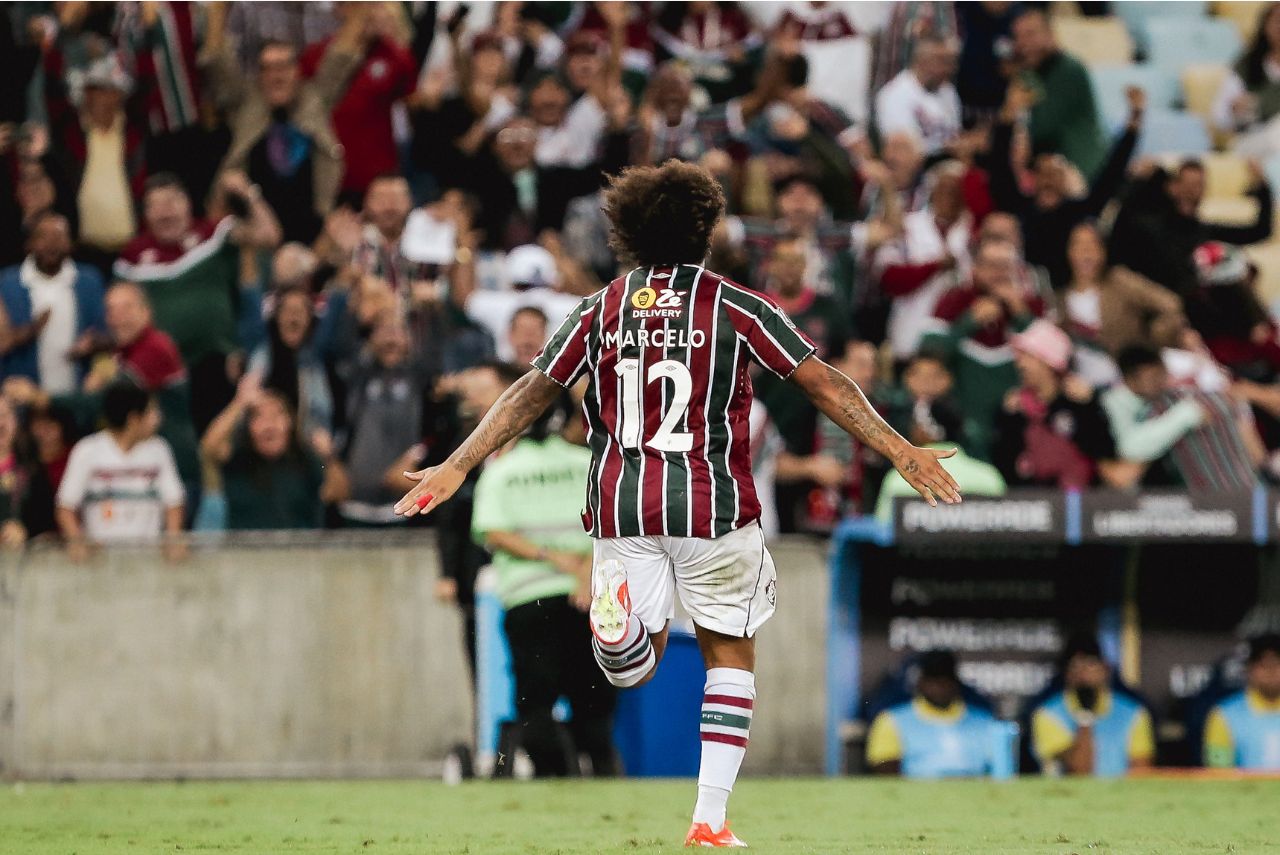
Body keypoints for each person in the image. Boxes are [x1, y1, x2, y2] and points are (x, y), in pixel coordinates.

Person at [392, 160, 960, 847]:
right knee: (728, 652)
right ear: (705, 228)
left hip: (623, 506)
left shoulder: (598, 307)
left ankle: (615, 631)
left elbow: (531, 390)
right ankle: (709, 817)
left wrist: (458, 463)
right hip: (711, 505)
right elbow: (826, 385)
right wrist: (903, 450)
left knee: (634, 663)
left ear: (626, 232)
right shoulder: (737, 306)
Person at [470, 392, 617, 779]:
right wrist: (583, 573)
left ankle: (557, 779)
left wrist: (547, 557)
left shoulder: (502, 471)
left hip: (529, 598)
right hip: (591, 597)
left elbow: (493, 531)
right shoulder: (589, 463)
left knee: (535, 705)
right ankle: (606, 784)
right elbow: (614, 528)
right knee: (594, 705)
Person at [113, 171, 282, 432]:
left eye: (171, 201)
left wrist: (247, 191)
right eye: (155, 205)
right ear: (145, 214)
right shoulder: (132, 257)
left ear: (188, 204)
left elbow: (269, 235)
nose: (165, 212)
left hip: (217, 366)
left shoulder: (213, 234)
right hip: (161, 376)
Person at [201, 2, 365, 243]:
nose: (276, 75)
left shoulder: (315, 99)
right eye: (266, 68)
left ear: (297, 71)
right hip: (256, 231)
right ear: (258, 75)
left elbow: (343, 55)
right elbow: (215, 58)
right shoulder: (246, 103)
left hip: (313, 229)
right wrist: (219, 7)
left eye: (283, 66)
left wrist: (364, 8)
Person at [990, 82, 1142, 288]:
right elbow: (999, 164)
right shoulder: (1018, 207)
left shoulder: (1080, 210)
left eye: (1055, 175)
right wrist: (1009, 114)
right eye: (1043, 174)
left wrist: (1134, 122)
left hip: (1070, 295)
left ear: (1065, 180)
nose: (1048, 181)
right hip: (1025, 292)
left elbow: (1112, 173)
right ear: (1033, 178)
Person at [55, 379, 185, 560]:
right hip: (101, 562)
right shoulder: (87, 450)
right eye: (151, 412)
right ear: (133, 419)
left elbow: (174, 502)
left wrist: (173, 541)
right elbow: (66, 506)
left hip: (148, 561)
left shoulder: (159, 450)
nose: (158, 418)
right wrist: (77, 543)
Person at [1101, 345, 1258, 491]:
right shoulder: (1108, 404)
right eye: (1153, 377)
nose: (1161, 381)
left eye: (1162, 372)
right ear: (1131, 379)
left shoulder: (1169, 399)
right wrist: (1187, 415)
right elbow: (1130, 449)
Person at [201, 376, 348, 531]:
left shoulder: (305, 458)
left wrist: (329, 457)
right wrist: (240, 403)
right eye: (259, 416)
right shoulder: (239, 458)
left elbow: (339, 493)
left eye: (276, 415)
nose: (269, 425)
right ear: (248, 427)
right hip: (246, 553)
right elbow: (209, 447)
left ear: (290, 423)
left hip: (296, 552)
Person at [992, 320, 1116, 489]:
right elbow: (1003, 466)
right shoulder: (1014, 408)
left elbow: (1104, 453)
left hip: (1079, 503)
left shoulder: (1078, 403)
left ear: (1049, 362)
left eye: (1028, 357)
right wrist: (1009, 419)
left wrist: (1088, 407)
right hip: (1030, 504)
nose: (1020, 363)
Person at [0, 211, 105, 394]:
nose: (51, 243)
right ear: (29, 243)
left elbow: (112, 334)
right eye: (43, 236)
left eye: (59, 236)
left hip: (77, 398)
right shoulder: (6, 284)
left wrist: (94, 342)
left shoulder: (90, 281)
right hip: (22, 398)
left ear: (71, 242)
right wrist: (28, 332)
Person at [1059, 222, 1188, 360]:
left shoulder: (1119, 281)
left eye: (1093, 244)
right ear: (1068, 252)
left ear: (1104, 251)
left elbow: (1172, 304)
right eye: (1078, 244)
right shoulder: (1059, 299)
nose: (1086, 251)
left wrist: (1156, 337)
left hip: (1133, 369)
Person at [1031, 634, 1155, 777]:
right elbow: (1080, 770)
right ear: (1066, 674)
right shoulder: (1047, 713)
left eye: (1090, 664)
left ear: (1105, 669)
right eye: (1075, 666)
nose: (1083, 673)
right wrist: (1085, 715)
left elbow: (1142, 771)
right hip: (1068, 796)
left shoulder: (1133, 712)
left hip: (1120, 795)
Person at [1008, 8, 1106, 180]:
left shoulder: (1069, 70)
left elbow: (1041, 126)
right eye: (1018, 37)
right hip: (1047, 168)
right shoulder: (1029, 73)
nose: (1023, 43)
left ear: (1050, 34)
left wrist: (997, 133)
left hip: (1080, 167)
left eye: (1030, 34)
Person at [865, 650, 997, 778]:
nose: (939, 687)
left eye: (945, 681)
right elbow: (885, 773)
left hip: (974, 795)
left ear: (956, 683)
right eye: (932, 681)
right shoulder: (892, 720)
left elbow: (998, 772)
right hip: (914, 796)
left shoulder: (984, 721)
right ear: (920, 683)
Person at [248, 287, 333, 438]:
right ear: (277, 319)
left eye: (300, 311)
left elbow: (322, 414)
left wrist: (320, 435)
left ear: (309, 322)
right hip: (266, 440)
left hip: (305, 444)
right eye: (287, 310)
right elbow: (250, 401)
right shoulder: (263, 355)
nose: (293, 316)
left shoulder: (316, 361)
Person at [874, 35, 961, 157]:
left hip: (948, 162)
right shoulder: (895, 94)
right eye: (943, 61)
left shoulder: (947, 90)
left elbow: (954, 135)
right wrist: (954, 147)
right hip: (917, 169)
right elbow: (906, 153)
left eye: (952, 62)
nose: (950, 69)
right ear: (921, 61)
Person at [1204, 634, 1280, 770]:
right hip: (1244, 791)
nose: (1271, 671)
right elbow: (1218, 773)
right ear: (1250, 669)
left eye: (1277, 664)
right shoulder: (1223, 715)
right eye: (1264, 665)